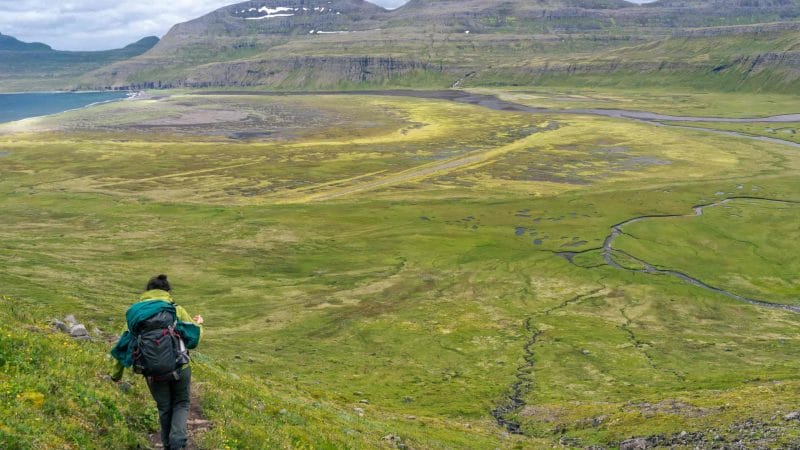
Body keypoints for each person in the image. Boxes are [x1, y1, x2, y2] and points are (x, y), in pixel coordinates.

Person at [110, 274, 204, 450]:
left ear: (147, 291)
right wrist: (199, 324)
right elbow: (195, 339)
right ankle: (178, 442)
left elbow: (123, 344)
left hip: (152, 371)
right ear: (167, 291)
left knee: (164, 408)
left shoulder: (135, 314)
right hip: (180, 366)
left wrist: (116, 375)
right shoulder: (175, 310)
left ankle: (169, 445)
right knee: (181, 403)